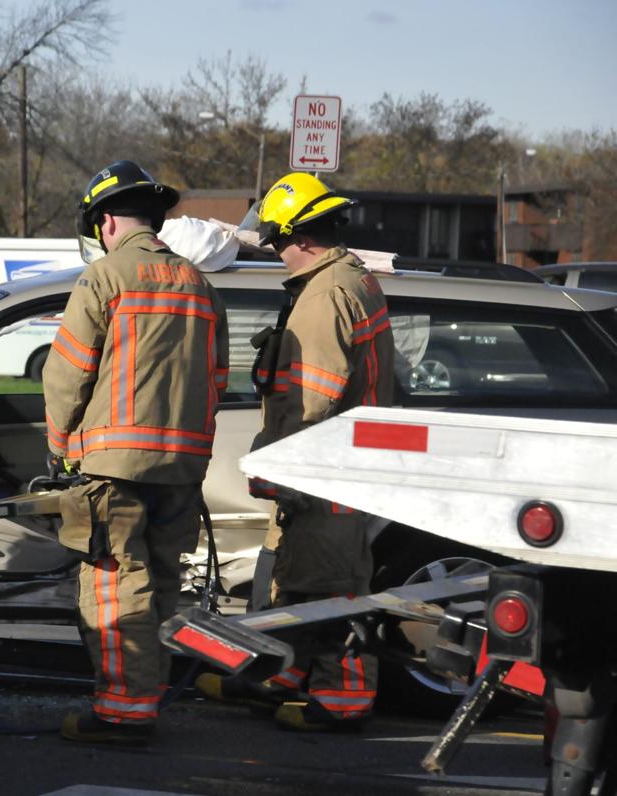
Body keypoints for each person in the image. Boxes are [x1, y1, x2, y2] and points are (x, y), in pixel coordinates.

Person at [196, 172, 395, 731]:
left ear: (300, 236)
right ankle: (283, 675)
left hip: (326, 469)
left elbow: (311, 397)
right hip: (339, 465)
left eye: (278, 241)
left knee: (331, 586)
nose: (277, 253)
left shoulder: (326, 295)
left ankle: (341, 701)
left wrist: (273, 461)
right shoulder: (350, 280)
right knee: (298, 578)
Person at [47, 160, 230, 746]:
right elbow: (218, 377)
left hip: (111, 466)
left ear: (105, 222)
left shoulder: (106, 277)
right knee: (163, 580)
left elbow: (67, 374)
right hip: (182, 468)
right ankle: (149, 693)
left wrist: (61, 448)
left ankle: (125, 710)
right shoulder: (201, 284)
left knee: (114, 580)